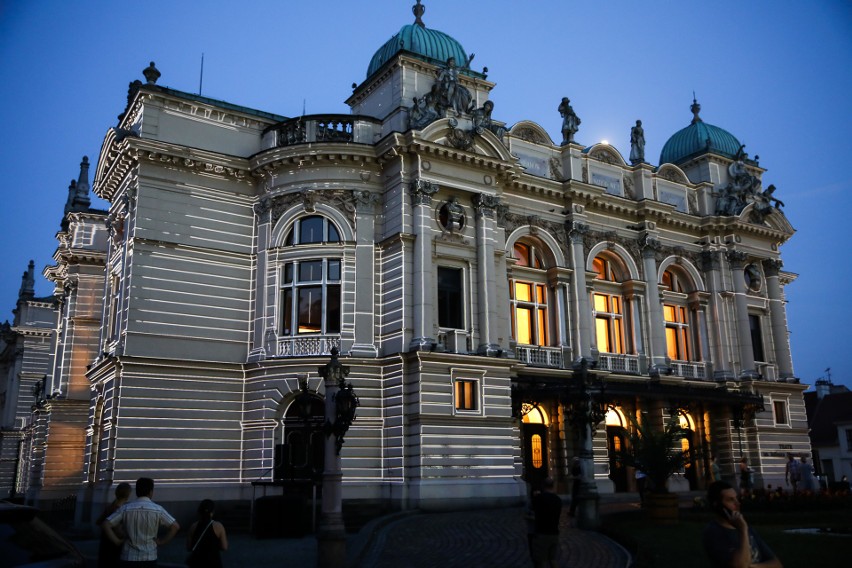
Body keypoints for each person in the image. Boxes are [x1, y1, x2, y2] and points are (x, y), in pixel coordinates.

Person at [103, 477, 180, 567]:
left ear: (137, 492)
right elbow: (175, 526)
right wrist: (162, 542)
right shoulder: (158, 509)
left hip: (128, 556)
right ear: (151, 492)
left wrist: (117, 541)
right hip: (149, 556)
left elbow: (106, 524)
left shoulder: (126, 508)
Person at [703, 480, 782, 568]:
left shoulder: (748, 528)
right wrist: (743, 530)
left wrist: (753, 566)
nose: (737, 503)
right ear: (717, 504)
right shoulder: (714, 532)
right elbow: (741, 566)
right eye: (730, 500)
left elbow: (776, 564)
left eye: (736, 498)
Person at [96, 482, 132, 568]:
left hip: (105, 543)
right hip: (114, 546)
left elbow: (98, 522)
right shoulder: (119, 511)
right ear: (127, 496)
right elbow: (118, 530)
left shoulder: (110, 506)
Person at [186, 499, 228, 568]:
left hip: (197, 563)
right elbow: (224, 547)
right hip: (213, 562)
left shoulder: (193, 526)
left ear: (200, 511)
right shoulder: (219, 526)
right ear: (212, 512)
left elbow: (188, 547)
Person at [531, 477, 562, 568]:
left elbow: (533, 509)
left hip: (542, 533)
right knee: (552, 559)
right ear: (553, 486)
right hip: (554, 532)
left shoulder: (539, 498)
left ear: (543, 486)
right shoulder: (558, 499)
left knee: (542, 560)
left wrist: (535, 496)